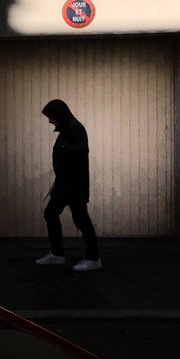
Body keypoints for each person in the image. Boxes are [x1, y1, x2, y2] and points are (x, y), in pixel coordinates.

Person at [36, 99, 102, 271]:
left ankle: (93, 258)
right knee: (53, 214)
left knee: (79, 219)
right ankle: (58, 254)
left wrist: (65, 148)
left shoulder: (75, 129)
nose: (50, 121)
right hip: (66, 184)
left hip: (73, 186)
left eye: (51, 117)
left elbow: (80, 152)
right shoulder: (69, 129)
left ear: (59, 114)